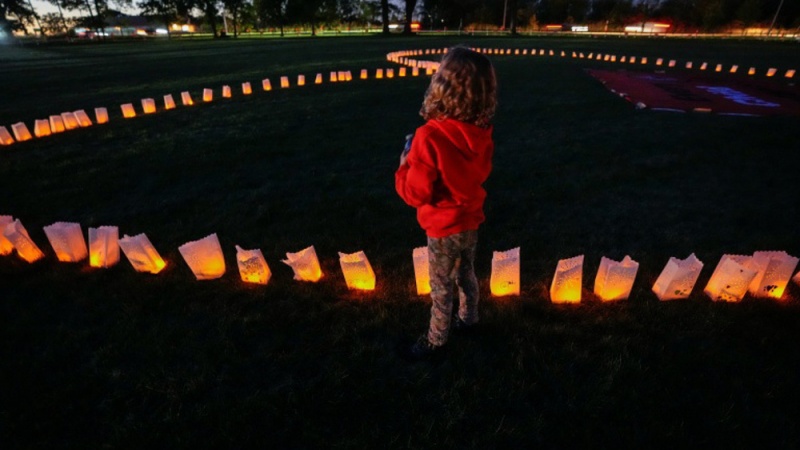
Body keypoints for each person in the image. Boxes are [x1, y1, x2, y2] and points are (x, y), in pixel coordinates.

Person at [395, 46, 497, 361]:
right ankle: (469, 318)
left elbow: (416, 194)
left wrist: (403, 165)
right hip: (469, 220)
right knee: (466, 272)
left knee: (440, 285)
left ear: (442, 86)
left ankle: (436, 339)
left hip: (442, 228)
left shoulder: (428, 137)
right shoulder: (481, 133)